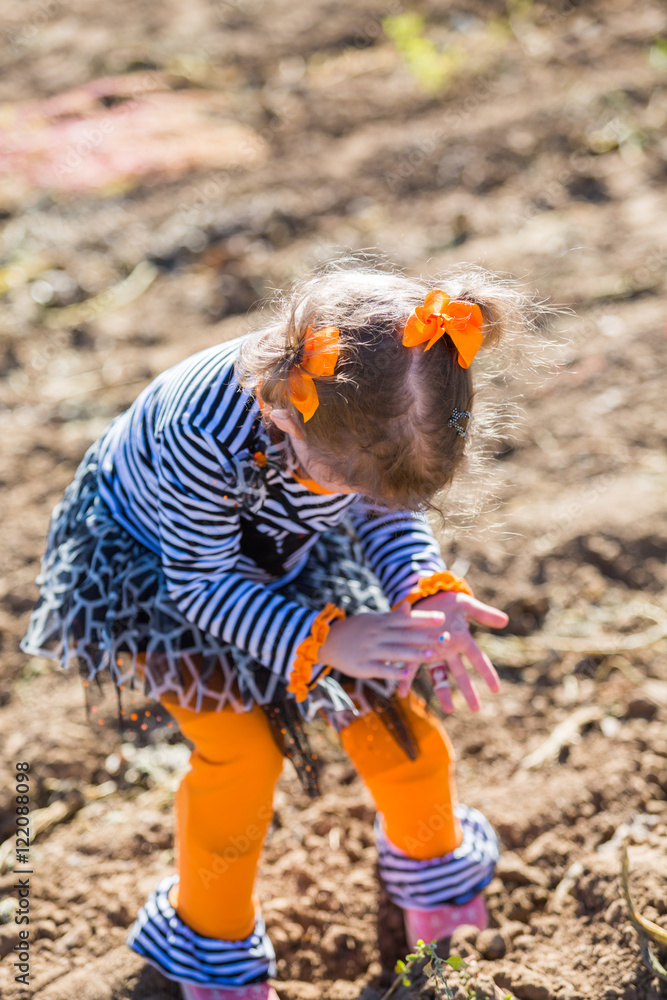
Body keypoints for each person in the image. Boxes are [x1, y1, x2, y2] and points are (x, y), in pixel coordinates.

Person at [21, 262, 533, 1000]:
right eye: (348, 483)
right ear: (286, 417)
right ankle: (214, 947)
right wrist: (326, 640)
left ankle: (436, 883)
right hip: (161, 571)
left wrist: (422, 589)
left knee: (390, 713)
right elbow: (202, 584)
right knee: (241, 755)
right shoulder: (200, 430)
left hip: (284, 546)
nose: (363, 496)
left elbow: (385, 507)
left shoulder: (370, 414)